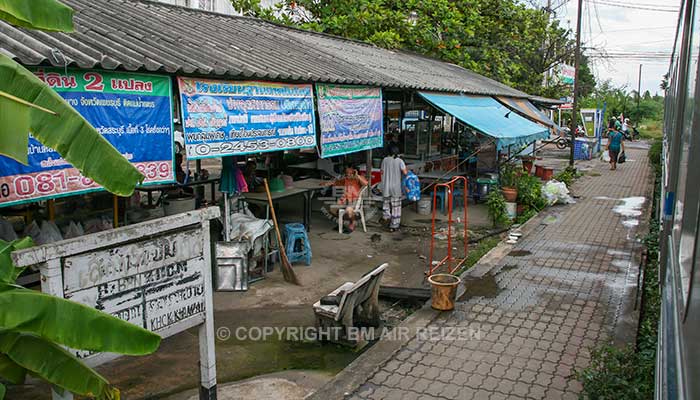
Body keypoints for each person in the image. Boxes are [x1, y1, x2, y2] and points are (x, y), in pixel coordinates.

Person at [321, 165, 368, 233]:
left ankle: (352, 223)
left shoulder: (359, 178)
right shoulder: (345, 179)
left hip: (355, 200)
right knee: (332, 209)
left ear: (354, 172)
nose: (348, 174)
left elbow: (366, 184)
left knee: (348, 210)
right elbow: (336, 182)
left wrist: (357, 175)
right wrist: (326, 183)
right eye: (347, 173)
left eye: (350, 173)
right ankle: (341, 223)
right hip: (345, 199)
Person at [380, 145, 408, 232]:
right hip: (396, 187)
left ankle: (386, 218)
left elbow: (381, 172)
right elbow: (405, 172)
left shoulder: (384, 160)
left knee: (386, 204)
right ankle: (394, 226)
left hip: (386, 187)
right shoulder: (400, 161)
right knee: (396, 207)